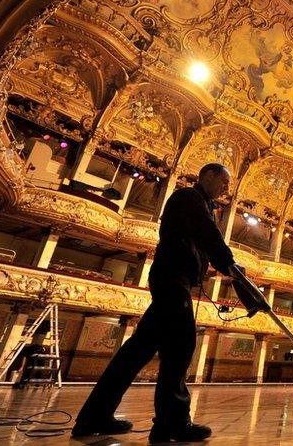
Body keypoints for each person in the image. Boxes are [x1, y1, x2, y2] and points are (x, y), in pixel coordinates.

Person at [72, 163, 243, 442]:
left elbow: (201, 241)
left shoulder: (201, 204)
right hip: (171, 280)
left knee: (135, 353)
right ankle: (172, 423)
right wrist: (229, 264)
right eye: (224, 181)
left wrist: (216, 265)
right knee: (180, 347)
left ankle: (94, 417)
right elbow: (207, 234)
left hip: (174, 280)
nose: (226, 188)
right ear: (207, 175)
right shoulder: (189, 198)